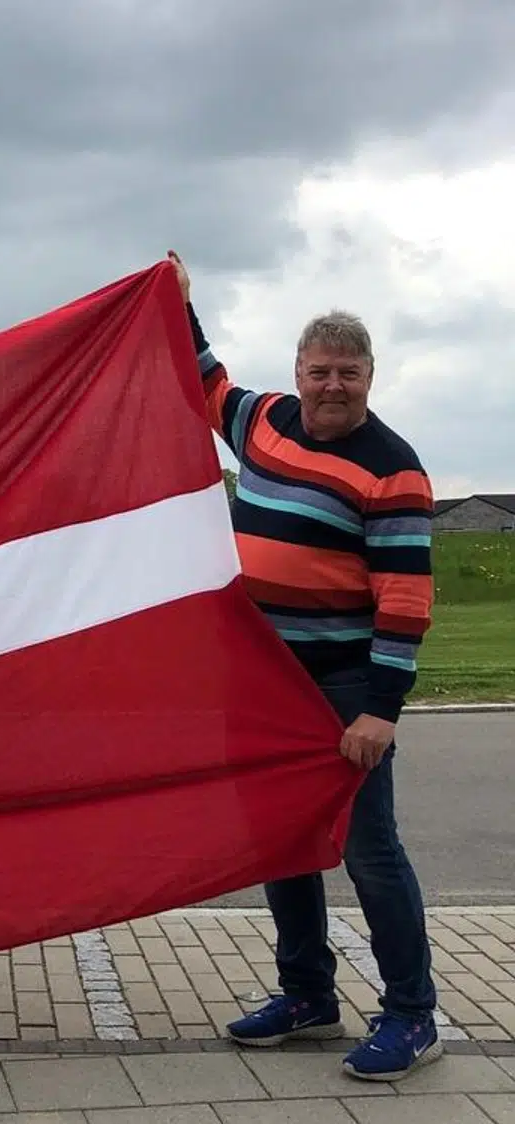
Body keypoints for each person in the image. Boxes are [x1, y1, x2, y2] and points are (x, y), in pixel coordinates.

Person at [166, 250, 442, 1081]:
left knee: (370, 852)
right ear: (298, 372)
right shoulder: (263, 420)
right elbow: (205, 380)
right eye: (319, 370)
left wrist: (380, 709)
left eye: (347, 373)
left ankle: (412, 1014)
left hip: (345, 685)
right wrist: (180, 302)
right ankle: (307, 995)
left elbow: (405, 601)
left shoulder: (393, 469)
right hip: (267, 681)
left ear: (370, 378)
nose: (332, 385)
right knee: (281, 840)